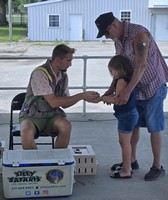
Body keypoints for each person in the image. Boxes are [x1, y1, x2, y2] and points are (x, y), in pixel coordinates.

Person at [95, 12, 168, 181]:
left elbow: (141, 65)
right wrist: (111, 88)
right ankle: (131, 161)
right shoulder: (118, 40)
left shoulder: (139, 34)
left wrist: (127, 90)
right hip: (136, 88)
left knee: (154, 126)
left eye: (106, 33)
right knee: (133, 123)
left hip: (152, 86)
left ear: (113, 25)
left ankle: (157, 166)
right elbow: (120, 67)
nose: (107, 37)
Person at [19, 44, 99, 149]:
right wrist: (81, 95)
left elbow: (65, 104)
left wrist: (83, 97)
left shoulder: (63, 76)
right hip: (32, 115)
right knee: (26, 132)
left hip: (51, 115)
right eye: (68, 60)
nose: (70, 64)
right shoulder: (40, 73)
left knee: (66, 126)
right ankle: (35, 163)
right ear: (57, 60)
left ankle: (58, 161)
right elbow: (54, 102)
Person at [98, 55, 139, 178]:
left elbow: (118, 100)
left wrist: (101, 99)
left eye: (112, 70)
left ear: (118, 69)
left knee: (124, 143)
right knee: (126, 142)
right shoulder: (128, 78)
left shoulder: (121, 80)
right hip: (130, 113)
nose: (111, 73)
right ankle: (128, 165)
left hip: (126, 115)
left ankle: (126, 170)